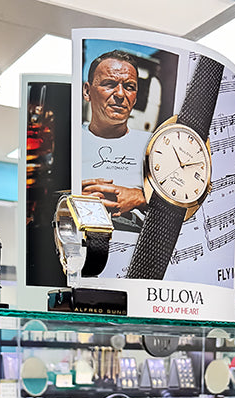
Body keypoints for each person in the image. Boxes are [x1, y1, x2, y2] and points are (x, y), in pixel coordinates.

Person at [81, 49, 150, 274]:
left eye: (129, 87)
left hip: (138, 264)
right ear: (87, 91)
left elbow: (184, 205)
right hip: (78, 260)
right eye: (109, 84)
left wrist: (140, 197)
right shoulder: (68, 141)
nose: (120, 94)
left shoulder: (154, 146)